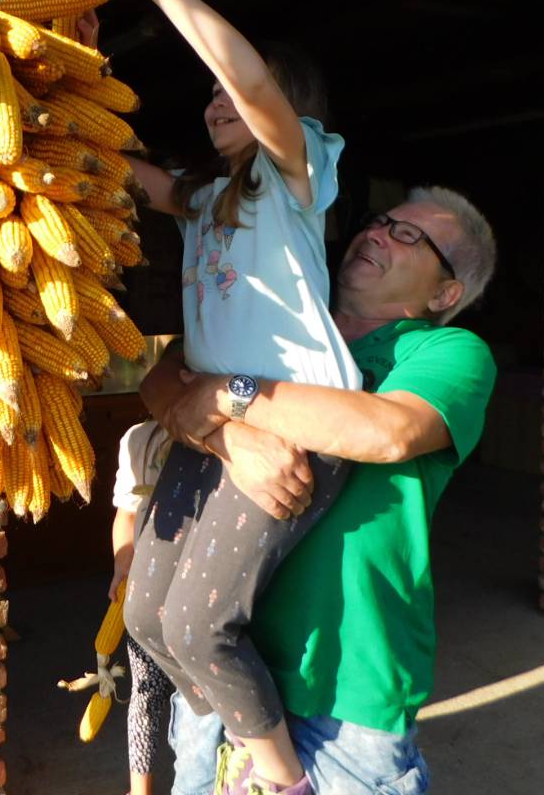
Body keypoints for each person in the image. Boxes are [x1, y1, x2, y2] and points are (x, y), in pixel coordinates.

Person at [93, 0, 361, 793]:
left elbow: (249, 83)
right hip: (212, 426)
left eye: (230, 90)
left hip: (293, 421)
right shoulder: (205, 196)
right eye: (207, 93)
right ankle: (238, 745)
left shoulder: (299, 171)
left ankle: (285, 783)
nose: (217, 99)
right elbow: (123, 172)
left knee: (201, 626)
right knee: (147, 618)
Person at [138, 188, 497, 794]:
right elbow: (165, 380)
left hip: (339, 692)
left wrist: (228, 395)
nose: (377, 233)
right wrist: (230, 440)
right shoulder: (286, 324)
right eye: (379, 221)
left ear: (444, 294)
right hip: (214, 670)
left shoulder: (447, 351)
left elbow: (385, 430)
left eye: (409, 235)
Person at [110, 420, 176, 795]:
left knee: (200, 697)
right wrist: (123, 566)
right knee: (146, 691)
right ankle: (141, 789)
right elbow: (127, 514)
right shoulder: (138, 439)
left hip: (198, 587)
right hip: (147, 587)